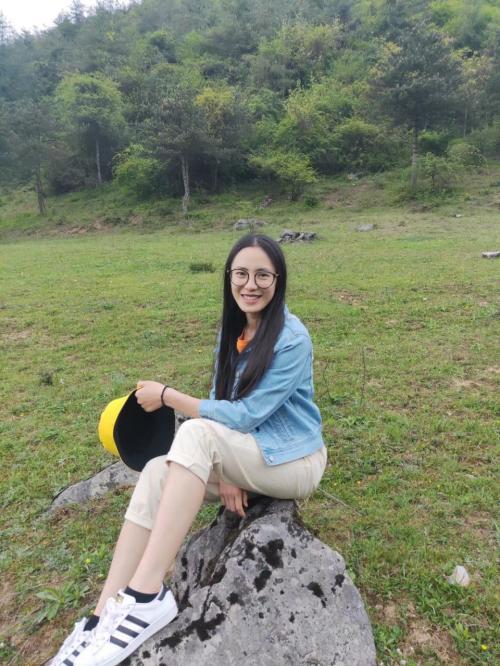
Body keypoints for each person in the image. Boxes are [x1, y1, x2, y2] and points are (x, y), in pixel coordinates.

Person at [50, 233, 327, 666]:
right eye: (241, 274)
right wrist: (228, 471)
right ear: (229, 278)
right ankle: (101, 616)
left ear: (278, 280)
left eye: (262, 275)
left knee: (195, 433)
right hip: (248, 455)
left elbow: (246, 415)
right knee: (157, 471)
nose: (250, 284)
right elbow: (222, 401)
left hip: (292, 460)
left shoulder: (293, 339)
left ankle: (145, 596)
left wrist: (169, 396)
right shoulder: (233, 331)